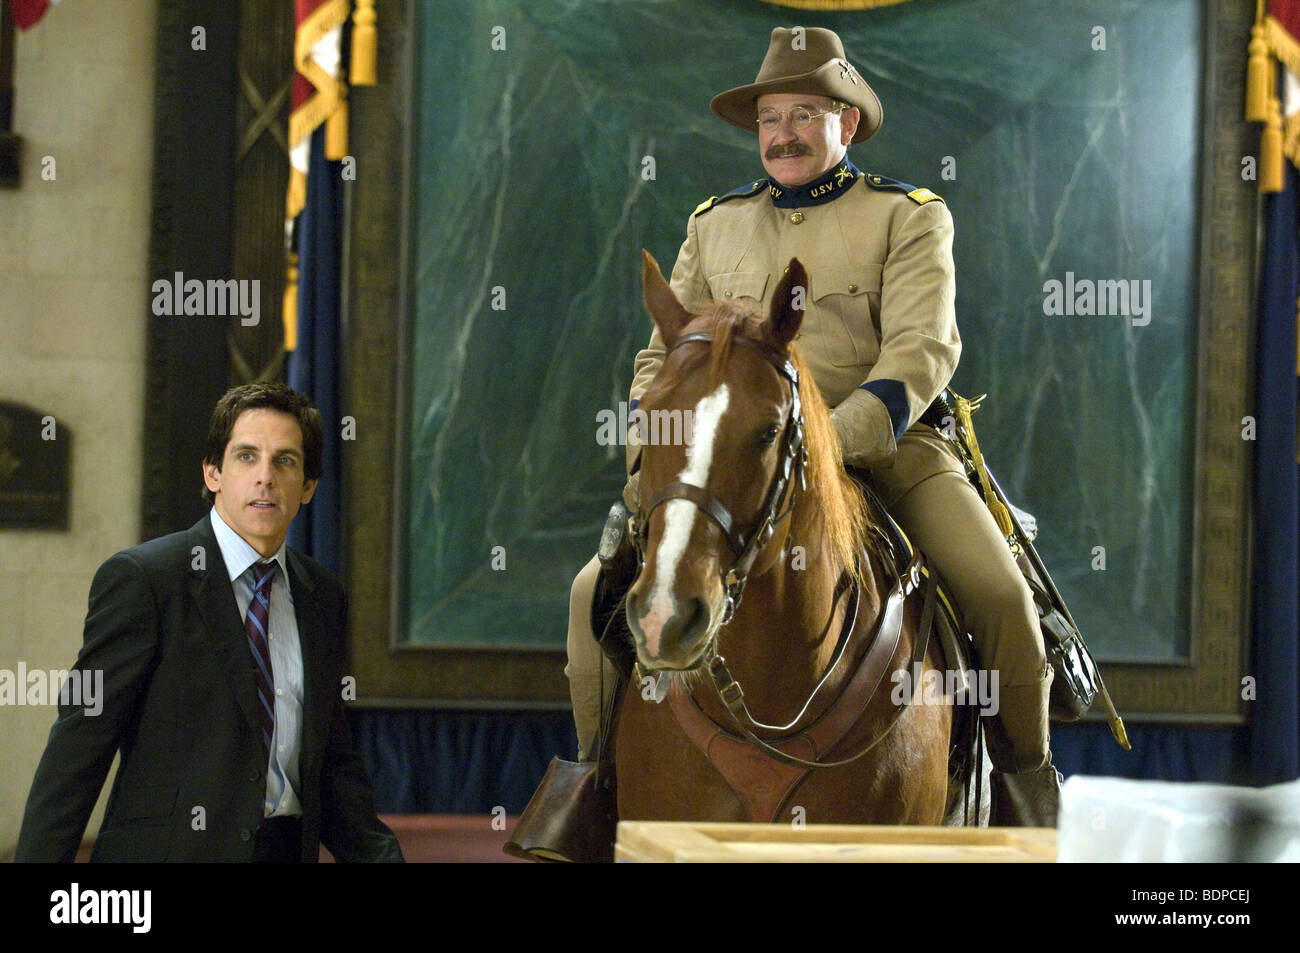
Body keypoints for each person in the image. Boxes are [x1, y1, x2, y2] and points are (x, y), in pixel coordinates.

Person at [565, 26, 1061, 825]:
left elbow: (921, 352)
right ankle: (589, 787)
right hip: (724, 462)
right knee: (595, 597)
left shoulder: (908, 217)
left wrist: (827, 441)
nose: (783, 133)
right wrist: (650, 458)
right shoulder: (713, 224)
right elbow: (661, 363)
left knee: (1000, 596)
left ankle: (1025, 802)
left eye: (804, 113)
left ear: (848, 124)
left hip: (888, 452)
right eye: (769, 118)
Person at [15, 382, 404, 862]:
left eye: (285, 460)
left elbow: (333, 765)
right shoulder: (147, 580)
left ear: (308, 486)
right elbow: (77, 751)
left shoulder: (322, 595)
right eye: (245, 457)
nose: (265, 477)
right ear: (213, 472)